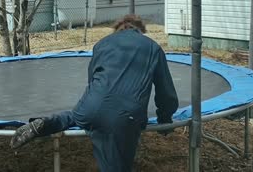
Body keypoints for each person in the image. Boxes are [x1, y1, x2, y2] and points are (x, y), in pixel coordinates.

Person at [10, 14, 179, 172]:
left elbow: (92, 79)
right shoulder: (152, 48)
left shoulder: (102, 43)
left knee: (75, 117)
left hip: (90, 106)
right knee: (116, 163)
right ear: (140, 31)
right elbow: (166, 94)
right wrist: (165, 119)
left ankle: (45, 124)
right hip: (125, 116)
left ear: (118, 29)